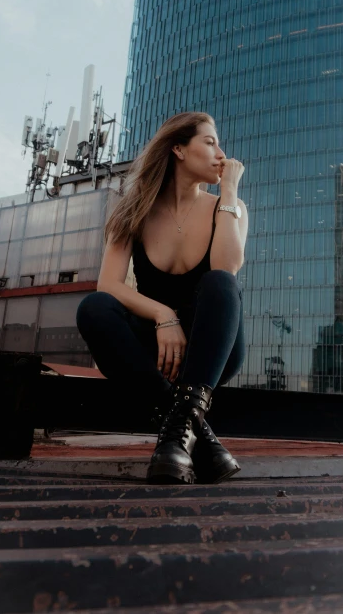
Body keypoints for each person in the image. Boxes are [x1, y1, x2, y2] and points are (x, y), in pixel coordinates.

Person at [76, 112, 248, 484]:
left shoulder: (228, 208)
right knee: (94, 308)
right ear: (178, 149)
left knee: (219, 282)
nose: (221, 153)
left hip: (213, 351)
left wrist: (229, 193)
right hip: (158, 351)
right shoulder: (134, 209)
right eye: (209, 142)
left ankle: (177, 431)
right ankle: (192, 438)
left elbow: (226, 268)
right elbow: (108, 284)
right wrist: (163, 315)